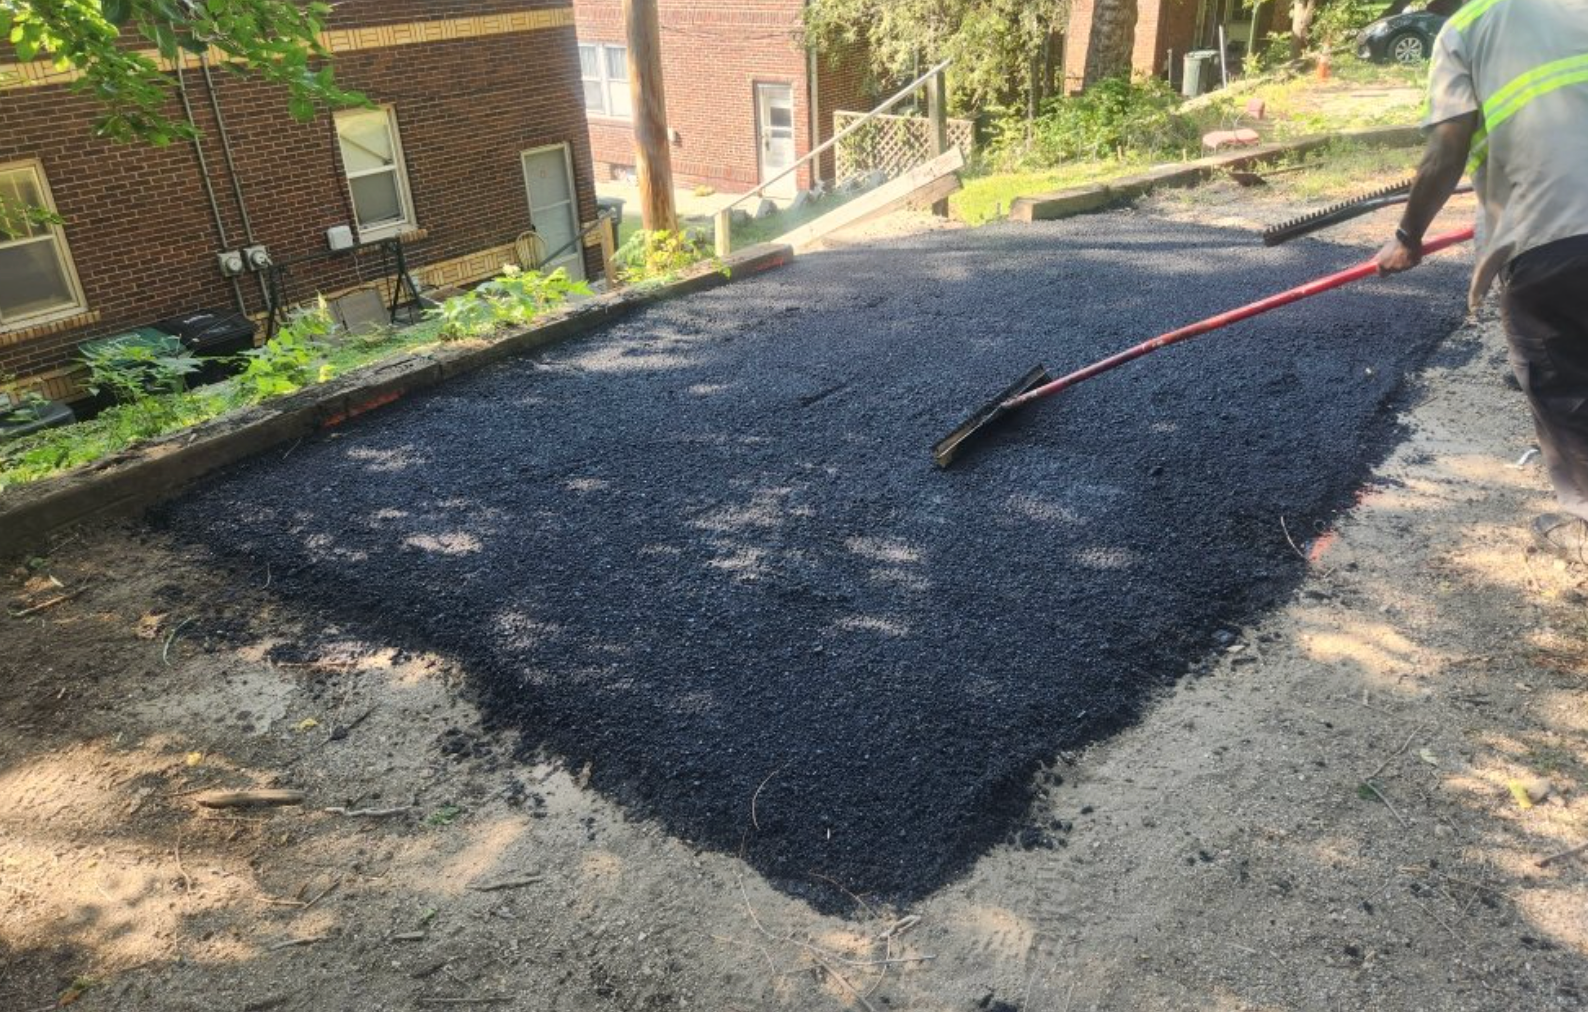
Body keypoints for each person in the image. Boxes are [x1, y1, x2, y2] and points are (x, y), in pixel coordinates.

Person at [1376, 0, 1588, 562]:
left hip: (1555, 239)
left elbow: (1445, 151)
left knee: (1565, 385)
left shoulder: (1467, 29)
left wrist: (1407, 236)